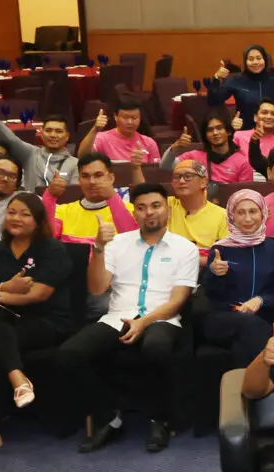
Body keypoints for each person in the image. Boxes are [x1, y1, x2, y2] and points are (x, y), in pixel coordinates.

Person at [63, 182, 199, 453]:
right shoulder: (116, 244)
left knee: (156, 348)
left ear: (167, 210)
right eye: (142, 207)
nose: (149, 213)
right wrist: (99, 248)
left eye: (156, 206)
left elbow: (178, 301)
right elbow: (97, 288)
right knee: (69, 355)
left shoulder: (186, 248)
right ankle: (109, 418)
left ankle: (159, 419)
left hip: (162, 318)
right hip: (118, 316)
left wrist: (144, 322)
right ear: (134, 212)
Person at [0, 192, 80, 460]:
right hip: (6, 319)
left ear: (38, 221)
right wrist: (4, 288)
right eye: (12, 212)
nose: (17, 218)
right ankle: (18, 380)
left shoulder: (52, 250)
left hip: (48, 320)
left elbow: (38, 294)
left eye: (25, 214)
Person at [197, 188, 274, 368]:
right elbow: (210, 293)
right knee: (252, 327)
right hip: (223, 318)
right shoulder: (221, 249)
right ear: (231, 216)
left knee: (245, 341)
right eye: (240, 212)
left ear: (263, 214)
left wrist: (261, 300)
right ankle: (262, 387)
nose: (247, 219)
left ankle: (242, 389)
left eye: (253, 211)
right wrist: (214, 273)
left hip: (264, 316)